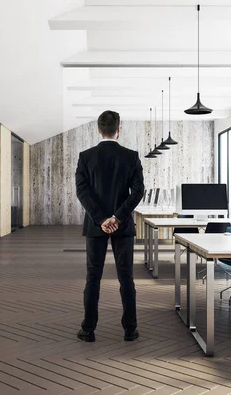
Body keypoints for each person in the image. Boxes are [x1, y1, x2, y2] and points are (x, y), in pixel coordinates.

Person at [75, 110, 145, 342]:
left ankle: (88, 329)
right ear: (118, 129)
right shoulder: (131, 157)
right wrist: (117, 217)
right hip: (122, 226)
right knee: (126, 278)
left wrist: (101, 219)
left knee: (92, 278)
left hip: (96, 226)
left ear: (98, 129)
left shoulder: (85, 157)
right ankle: (130, 330)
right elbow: (138, 192)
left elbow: (82, 193)